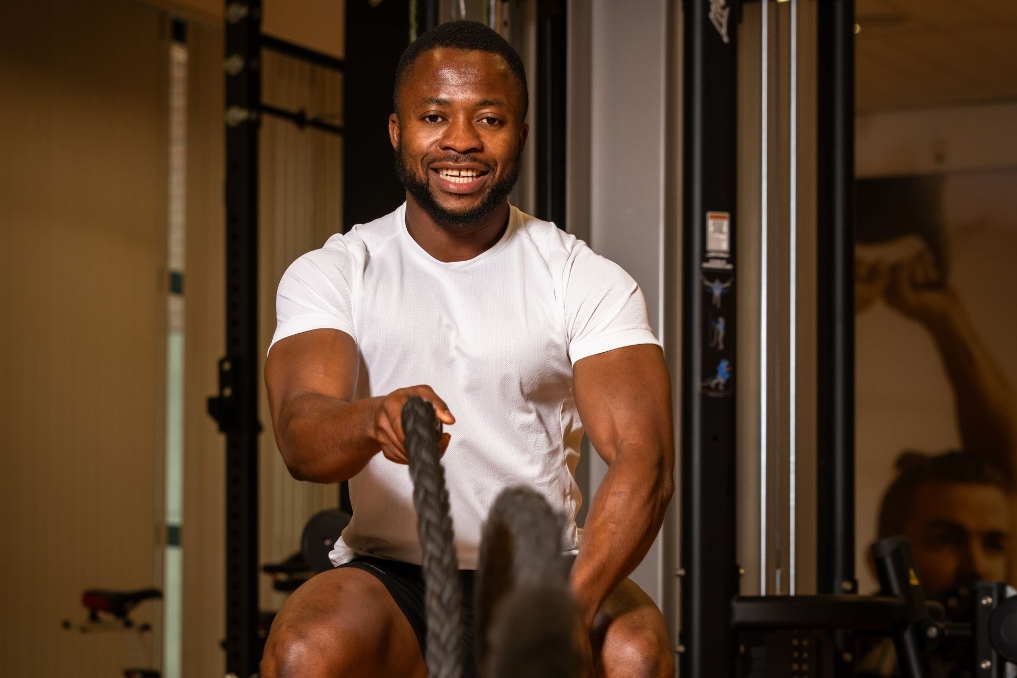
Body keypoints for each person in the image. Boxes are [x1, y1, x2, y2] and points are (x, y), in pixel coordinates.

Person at [260, 20, 675, 678]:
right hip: (394, 578)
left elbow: (642, 459)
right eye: (433, 116)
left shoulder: (581, 277)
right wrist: (372, 417)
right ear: (397, 132)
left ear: (520, 136)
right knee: (306, 650)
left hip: (547, 574)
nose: (461, 140)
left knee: (635, 653)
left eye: (489, 118)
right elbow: (300, 434)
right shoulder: (337, 271)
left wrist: (567, 612)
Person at [856, 241, 1017, 676]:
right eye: (945, 539)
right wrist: (821, 309)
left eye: (994, 543)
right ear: (879, 563)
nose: (977, 566)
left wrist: (949, 321)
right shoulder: (851, 650)